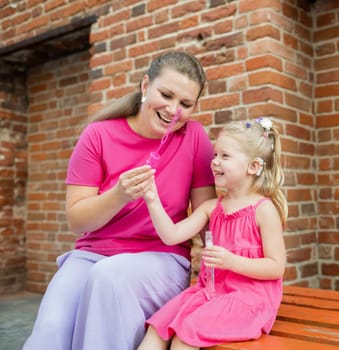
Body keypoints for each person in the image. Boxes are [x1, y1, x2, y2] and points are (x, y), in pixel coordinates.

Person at [23, 51, 217, 350]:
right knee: (50, 332)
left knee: (110, 278)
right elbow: (77, 220)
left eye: (185, 104)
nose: (173, 110)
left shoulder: (193, 138)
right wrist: (119, 195)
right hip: (91, 256)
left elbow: (206, 218)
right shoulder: (98, 135)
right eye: (166, 95)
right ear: (144, 86)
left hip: (162, 260)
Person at [137, 117, 288, 350]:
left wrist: (231, 261)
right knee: (158, 329)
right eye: (215, 155)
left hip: (250, 299)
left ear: (254, 167)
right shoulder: (211, 207)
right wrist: (152, 199)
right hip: (210, 292)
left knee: (184, 338)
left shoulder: (264, 210)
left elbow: (276, 267)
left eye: (225, 156)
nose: (215, 162)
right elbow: (172, 235)